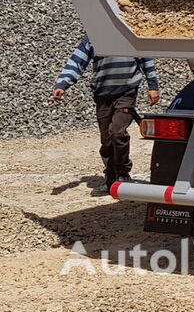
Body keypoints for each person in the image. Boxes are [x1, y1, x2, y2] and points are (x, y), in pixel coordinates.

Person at [52, 36, 159, 196]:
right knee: (106, 139)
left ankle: (123, 174)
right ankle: (110, 179)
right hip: (102, 94)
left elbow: (145, 59)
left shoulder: (130, 34)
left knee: (117, 132)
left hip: (126, 92)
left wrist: (153, 86)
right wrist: (63, 83)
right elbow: (77, 61)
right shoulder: (93, 36)